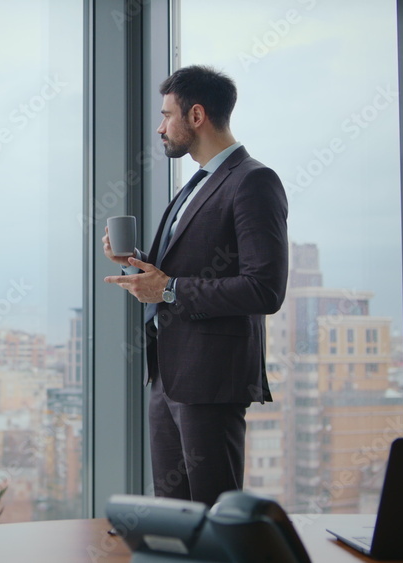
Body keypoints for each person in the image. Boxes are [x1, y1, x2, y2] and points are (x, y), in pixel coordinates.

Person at [102, 65, 288, 507]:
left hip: (211, 380)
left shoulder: (253, 181)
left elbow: (265, 289)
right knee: (174, 516)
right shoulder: (195, 185)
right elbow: (186, 269)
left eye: (167, 115)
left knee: (213, 512)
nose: (160, 128)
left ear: (197, 115)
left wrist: (168, 290)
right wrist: (137, 265)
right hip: (167, 376)